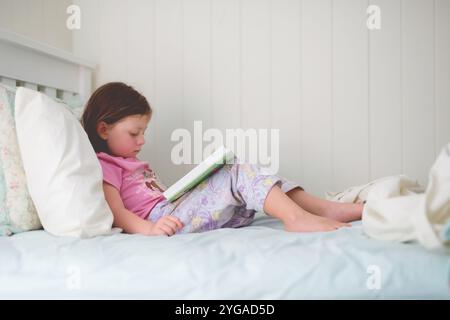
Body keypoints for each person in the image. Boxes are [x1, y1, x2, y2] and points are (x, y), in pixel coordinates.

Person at [81, 82, 363, 237]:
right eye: (134, 133)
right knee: (237, 171)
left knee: (245, 171)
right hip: (164, 220)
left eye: (144, 132)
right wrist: (151, 230)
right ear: (103, 129)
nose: (142, 140)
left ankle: (324, 208)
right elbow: (118, 212)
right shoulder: (107, 166)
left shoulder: (131, 162)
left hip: (171, 209)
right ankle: (296, 218)